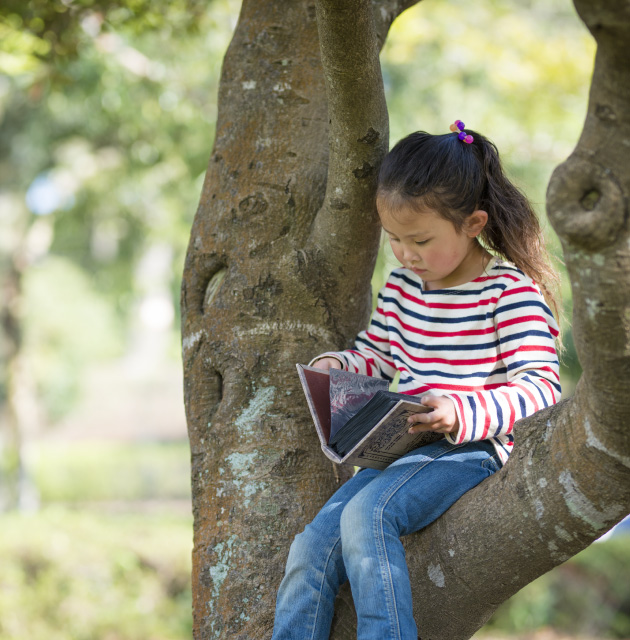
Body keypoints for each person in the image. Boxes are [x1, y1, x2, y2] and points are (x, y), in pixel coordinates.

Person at [271, 121, 562, 640]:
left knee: (367, 514)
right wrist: (339, 367)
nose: (405, 254)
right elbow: (379, 355)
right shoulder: (405, 287)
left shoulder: (507, 293)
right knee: (310, 548)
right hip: (400, 447)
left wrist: (461, 410)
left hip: (468, 448)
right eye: (395, 240)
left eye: (421, 240)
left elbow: (542, 387)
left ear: (473, 223)